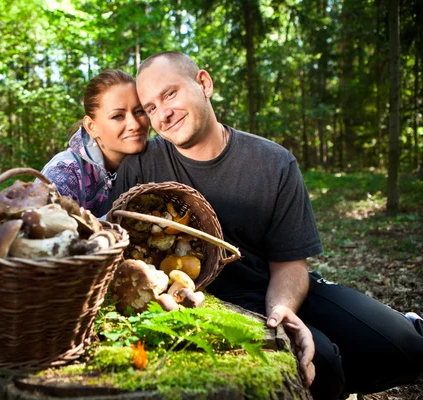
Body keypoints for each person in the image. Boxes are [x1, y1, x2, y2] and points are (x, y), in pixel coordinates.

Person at [103, 51, 423, 399]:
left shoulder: (273, 162)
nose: (162, 113)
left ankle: (394, 333)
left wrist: (282, 309)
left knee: (407, 347)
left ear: (204, 84)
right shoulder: (140, 166)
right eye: (150, 107)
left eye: (170, 94)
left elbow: (289, 263)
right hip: (205, 300)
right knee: (323, 362)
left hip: (274, 284)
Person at [40, 69, 149, 215]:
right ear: (91, 126)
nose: (135, 125)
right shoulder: (64, 173)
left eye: (139, 111)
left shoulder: (155, 158)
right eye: (117, 116)